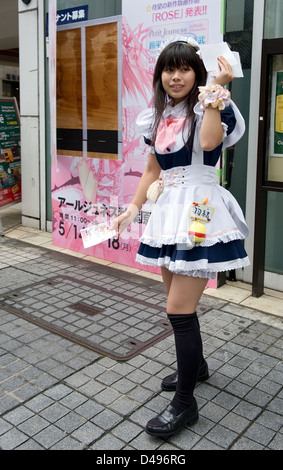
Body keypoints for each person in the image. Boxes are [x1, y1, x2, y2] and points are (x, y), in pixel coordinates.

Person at [113, 37, 249, 439]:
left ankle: (185, 404)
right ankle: (199, 367)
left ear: (198, 72)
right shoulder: (156, 116)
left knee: (178, 310)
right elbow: (153, 171)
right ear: (160, 76)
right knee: (177, 308)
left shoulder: (213, 103)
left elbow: (209, 143)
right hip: (169, 212)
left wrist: (215, 90)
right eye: (169, 69)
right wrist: (132, 210)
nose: (176, 76)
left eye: (185, 68)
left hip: (200, 212)